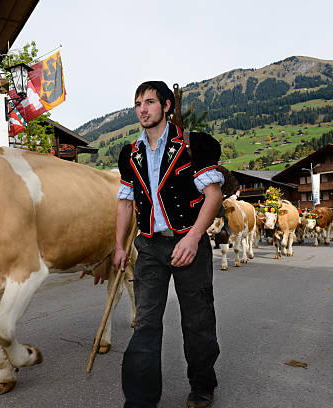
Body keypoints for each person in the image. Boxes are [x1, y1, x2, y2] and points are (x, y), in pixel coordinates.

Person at [114, 81, 224, 408]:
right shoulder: (130, 154)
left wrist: (192, 238)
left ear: (166, 105)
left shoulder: (193, 145)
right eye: (138, 103)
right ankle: (141, 399)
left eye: (149, 102)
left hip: (189, 242)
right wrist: (120, 246)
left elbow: (213, 194)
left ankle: (203, 385)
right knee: (146, 322)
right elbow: (124, 202)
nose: (143, 109)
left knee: (197, 319)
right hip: (148, 247)